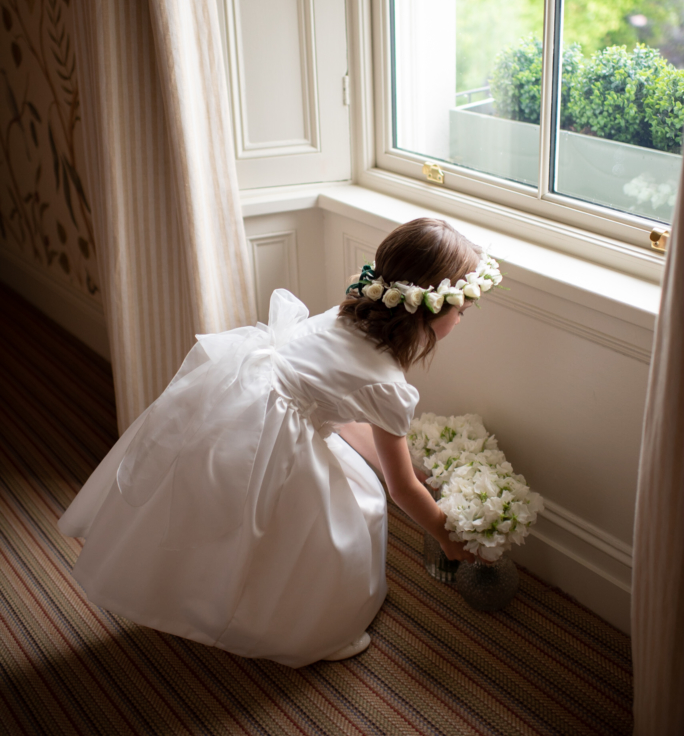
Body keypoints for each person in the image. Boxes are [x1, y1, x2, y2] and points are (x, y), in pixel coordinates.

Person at [59, 218, 500, 667]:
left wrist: (405, 467)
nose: (461, 320)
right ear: (429, 308)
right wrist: (445, 536)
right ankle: (304, 628)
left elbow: (346, 420)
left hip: (243, 404)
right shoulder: (389, 383)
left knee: (236, 518)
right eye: (460, 311)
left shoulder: (350, 315)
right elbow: (399, 489)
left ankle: (207, 589)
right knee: (324, 530)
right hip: (275, 431)